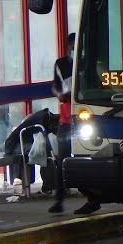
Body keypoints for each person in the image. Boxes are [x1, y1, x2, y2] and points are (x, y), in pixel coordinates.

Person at [49, 33, 75, 213]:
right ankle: (59, 198)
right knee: (62, 160)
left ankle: (91, 195)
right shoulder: (61, 64)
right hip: (66, 119)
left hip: (83, 117)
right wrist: (60, 94)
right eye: (72, 47)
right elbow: (56, 86)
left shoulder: (89, 63)